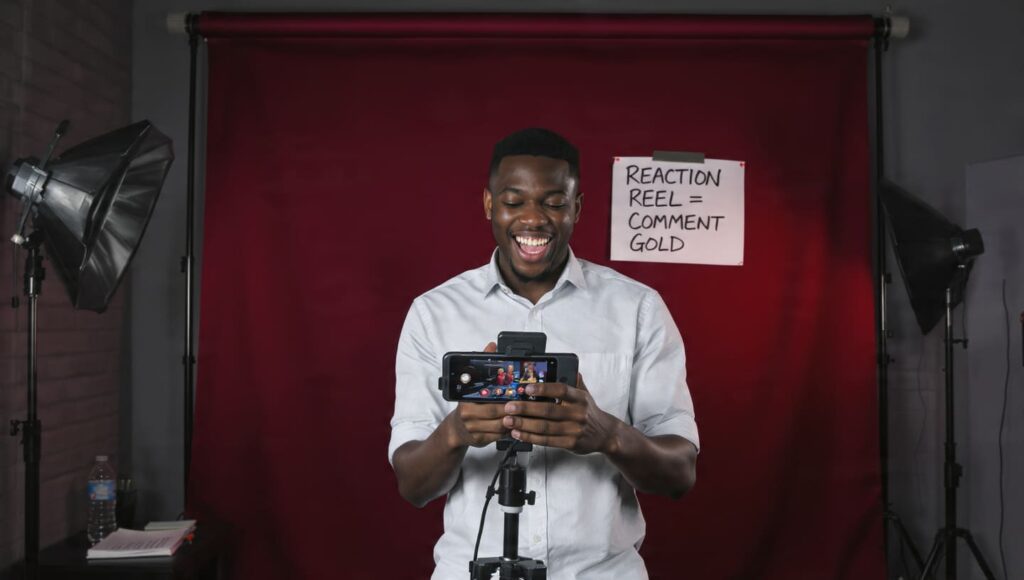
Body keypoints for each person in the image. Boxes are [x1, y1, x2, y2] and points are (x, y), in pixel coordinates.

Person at [389, 128, 699, 580]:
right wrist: (456, 431)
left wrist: (608, 434)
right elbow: (412, 486)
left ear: (577, 207)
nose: (533, 219)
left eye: (553, 202)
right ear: (489, 205)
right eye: (514, 201)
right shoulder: (433, 312)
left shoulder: (638, 309)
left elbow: (680, 475)